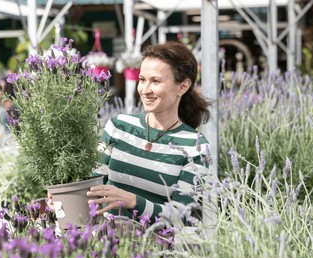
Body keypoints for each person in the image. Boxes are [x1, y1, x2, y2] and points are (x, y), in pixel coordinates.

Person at [50, 41, 212, 224]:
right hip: (104, 239)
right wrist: (68, 196)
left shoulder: (195, 146)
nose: (145, 89)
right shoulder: (119, 127)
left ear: (182, 86)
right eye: (142, 80)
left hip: (155, 246)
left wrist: (132, 201)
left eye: (156, 81)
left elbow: (183, 215)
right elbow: (93, 183)